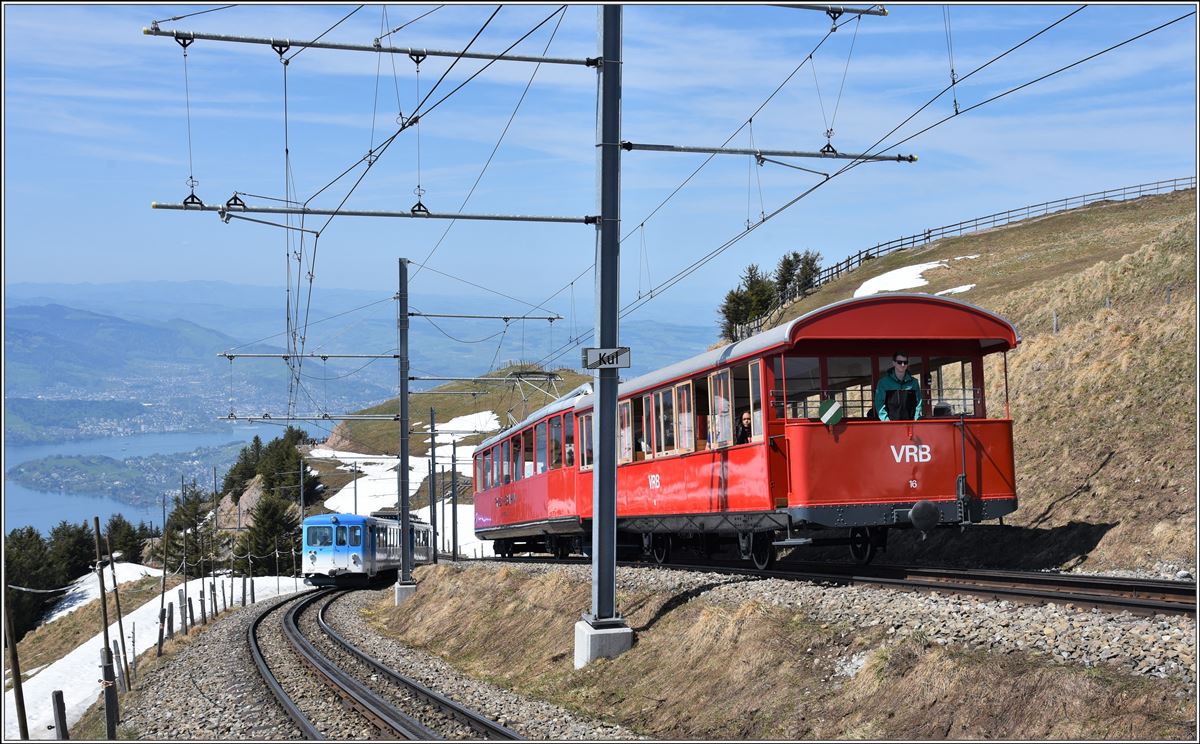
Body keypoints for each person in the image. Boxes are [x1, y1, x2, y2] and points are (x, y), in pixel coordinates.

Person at [874, 352, 923, 421]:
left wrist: (916, 419)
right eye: (899, 362)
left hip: (910, 424)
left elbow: (918, 402)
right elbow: (879, 403)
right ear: (893, 363)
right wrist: (886, 421)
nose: (902, 365)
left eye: (905, 362)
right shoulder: (883, 383)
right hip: (890, 426)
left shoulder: (914, 382)